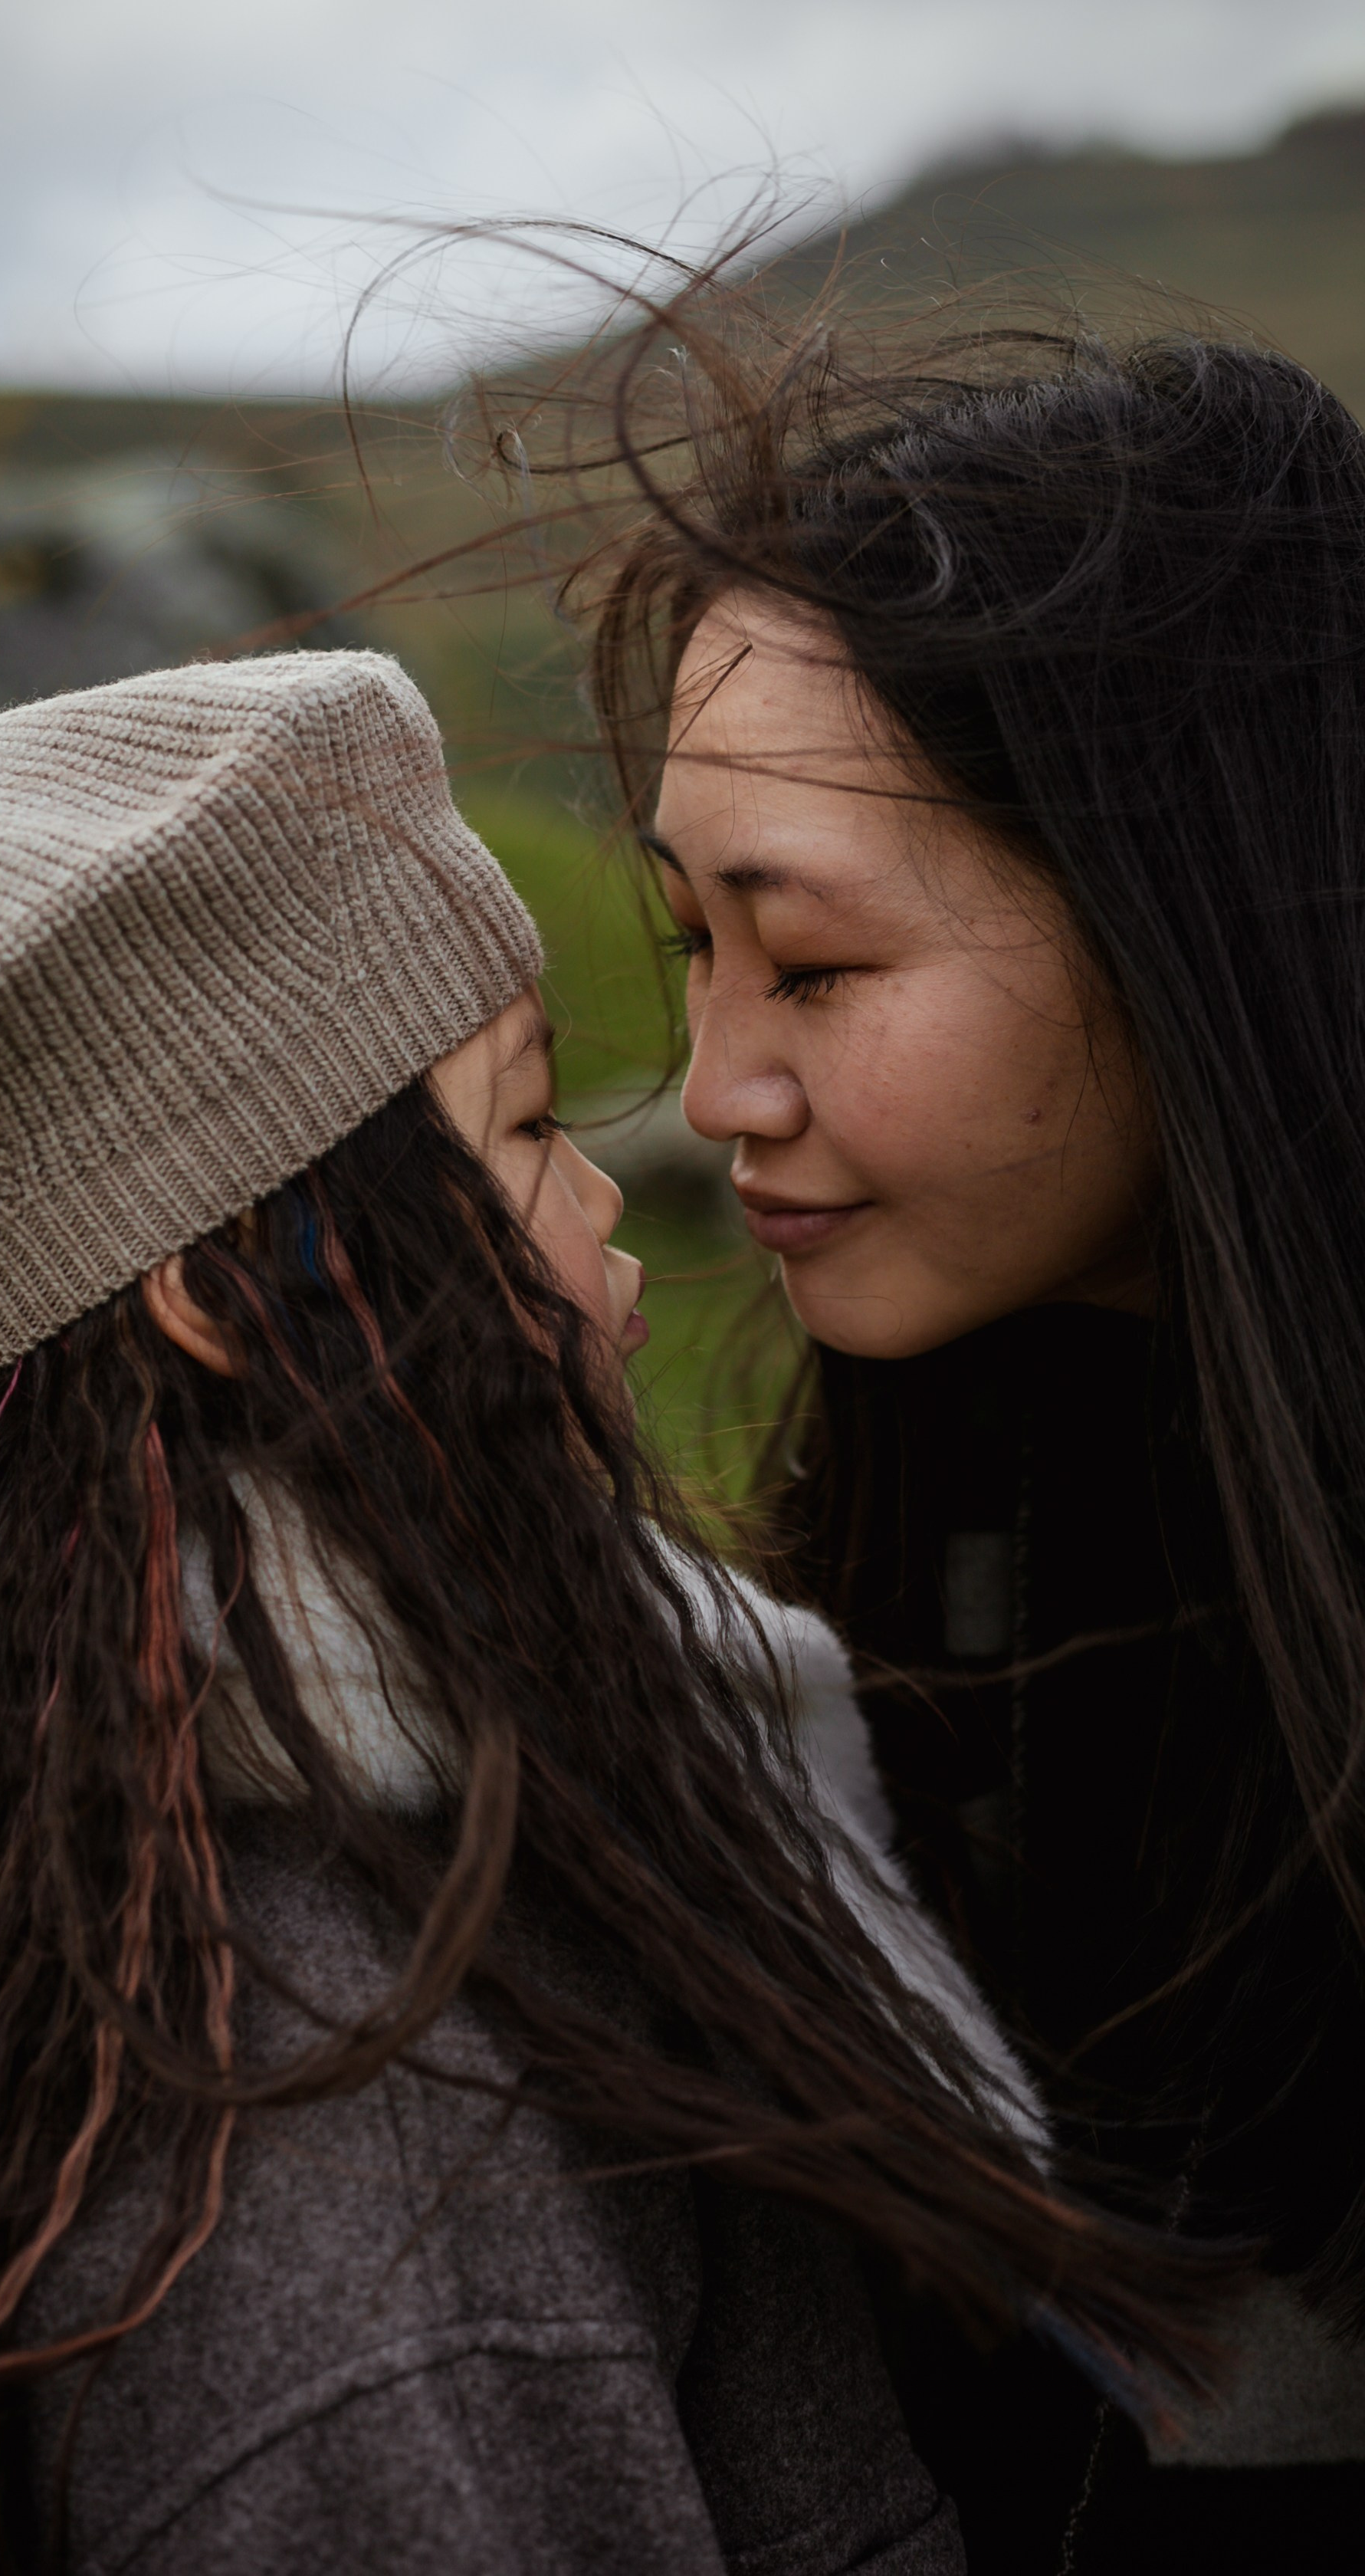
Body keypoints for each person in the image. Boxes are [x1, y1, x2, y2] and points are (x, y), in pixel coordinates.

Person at [0, 649, 1218, 2571]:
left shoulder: (207, 1866)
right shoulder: (366, 2178)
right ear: (224, 1295)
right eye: (530, 1124)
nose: (610, 1202)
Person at [569, 309, 1365, 2570]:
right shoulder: (959, 1557)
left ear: (1179, 917)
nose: (719, 1090)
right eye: (691, 944)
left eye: (812, 967)